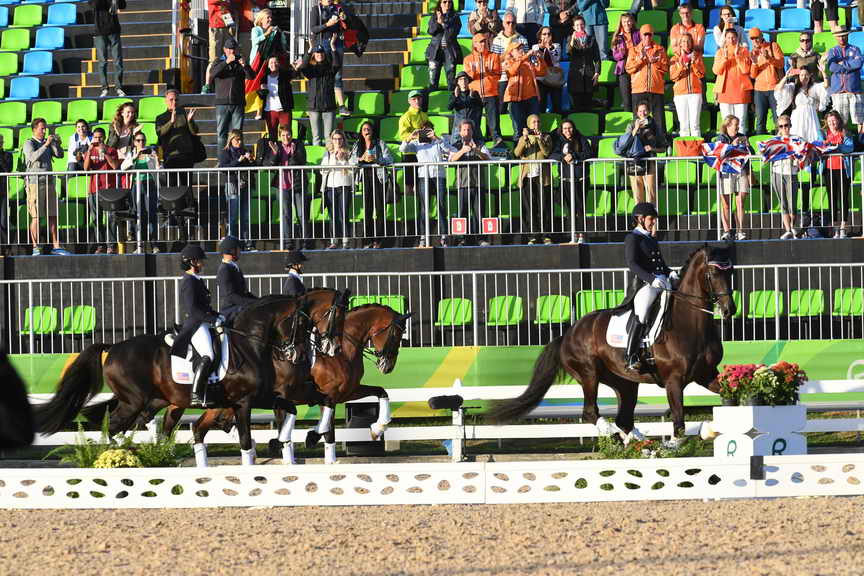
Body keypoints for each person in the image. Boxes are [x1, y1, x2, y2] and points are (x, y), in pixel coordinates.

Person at [624, 202, 676, 372]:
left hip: (662, 281)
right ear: (640, 219)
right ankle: (631, 355)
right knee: (643, 310)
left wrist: (670, 272)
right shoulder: (633, 238)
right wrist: (651, 279)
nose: (654, 222)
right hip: (646, 284)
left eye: (654, 219)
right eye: (651, 219)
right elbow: (632, 264)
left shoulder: (651, 239)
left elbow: (660, 264)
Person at [172, 244, 220, 408]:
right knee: (208, 354)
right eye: (200, 261)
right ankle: (196, 394)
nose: (202, 263)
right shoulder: (188, 281)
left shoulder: (196, 280)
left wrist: (216, 315)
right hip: (195, 325)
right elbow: (193, 309)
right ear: (191, 261)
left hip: (203, 321)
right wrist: (211, 319)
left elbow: (204, 306)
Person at [400, 123, 454, 247]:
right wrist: (410, 137)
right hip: (423, 176)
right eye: (423, 130)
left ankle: (444, 236)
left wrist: (436, 138)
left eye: (428, 130)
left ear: (433, 130)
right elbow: (402, 149)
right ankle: (423, 237)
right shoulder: (417, 143)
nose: (425, 133)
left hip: (439, 176)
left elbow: (450, 150)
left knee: (441, 206)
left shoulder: (439, 141)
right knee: (424, 208)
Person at [262, 124, 308, 248]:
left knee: (301, 214)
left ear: (292, 135)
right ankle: (288, 242)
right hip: (282, 185)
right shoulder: (276, 146)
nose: (286, 137)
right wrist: (275, 153)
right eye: (283, 135)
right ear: (279, 136)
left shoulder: (298, 144)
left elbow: (302, 161)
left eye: (288, 135)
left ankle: (305, 241)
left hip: (298, 183)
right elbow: (268, 165)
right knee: (286, 214)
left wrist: (293, 154)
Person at [23, 118, 64, 255]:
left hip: (49, 182)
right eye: (42, 128)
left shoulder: (47, 142)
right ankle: (35, 247)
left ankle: (56, 246)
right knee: (36, 216)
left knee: (53, 214)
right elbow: (32, 157)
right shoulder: (29, 142)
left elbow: (60, 155)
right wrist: (46, 145)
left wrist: (56, 144)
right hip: (35, 183)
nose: (45, 131)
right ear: (34, 129)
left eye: (45, 128)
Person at [350, 121, 393, 248]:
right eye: (364, 129)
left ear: (372, 131)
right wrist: (361, 158)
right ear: (361, 132)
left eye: (368, 129)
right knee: (367, 209)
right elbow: (351, 161)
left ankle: (378, 240)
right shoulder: (358, 144)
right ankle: (367, 240)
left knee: (380, 209)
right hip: (365, 178)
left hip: (379, 178)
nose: (366, 131)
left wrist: (378, 160)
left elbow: (389, 159)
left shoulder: (380, 143)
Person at [548, 118, 592, 243]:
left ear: (574, 128)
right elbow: (552, 154)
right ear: (561, 130)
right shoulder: (559, 141)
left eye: (570, 128)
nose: (568, 131)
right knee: (570, 209)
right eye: (565, 128)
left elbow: (589, 153)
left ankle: (582, 235)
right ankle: (573, 234)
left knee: (580, 208)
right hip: (566, 179)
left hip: (580, 179)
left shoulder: (581, 139)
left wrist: (574, 155)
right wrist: (563, 157)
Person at [450, 120, 491, 245]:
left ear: (472, 131)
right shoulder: (456, 145)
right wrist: (462, 151)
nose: (466, 132)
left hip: (478, 184)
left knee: (479, 213)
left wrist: (477, 151)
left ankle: (480, 239)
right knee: (462, 213)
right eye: (464, 130)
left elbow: (488, 159)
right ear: (460, 132)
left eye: (469, 129)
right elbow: (451, 160)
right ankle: (461, 239)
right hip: (462, 184)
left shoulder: (480, 144)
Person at [514, 114, 553, 244]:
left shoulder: (546, 137)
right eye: (533, 122)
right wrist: (525, 139)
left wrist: (540, 140)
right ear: (528, 125)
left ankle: (546, 235)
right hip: (527, 176)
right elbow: (517, 153)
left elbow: (547, 152)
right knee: (529, 207)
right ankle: (532, 235)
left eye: (538, 122)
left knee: (544, 206)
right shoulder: (523, 138)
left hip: (543, 176)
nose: (536, 124)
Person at [211, 37, 255, 151]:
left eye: (234, 49)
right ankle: (223, 158)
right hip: (222, 103)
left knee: (237, 134)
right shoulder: (218, 61)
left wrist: (245, 65)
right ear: (224, 49)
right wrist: (226, 62)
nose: (232, 51)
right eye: (230, 49)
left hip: (238, 102)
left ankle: (236, 157)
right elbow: (212, 74)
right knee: (221, 133)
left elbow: (251, 77)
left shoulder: (240, 61)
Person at [626, 24, 668, 142]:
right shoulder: (634, 50)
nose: (647, 37)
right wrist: (640, 60)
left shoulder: (660, 50)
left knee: (659, 120)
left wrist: (656, 62)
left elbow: (665, 68)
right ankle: (637, 144)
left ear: (653, 35)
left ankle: (661, 145)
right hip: (638, 89)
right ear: (641, 35)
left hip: (656, 89)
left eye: (649, 35)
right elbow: (628, 68)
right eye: (645, 35)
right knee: (638, 120)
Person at [83, 127, 121, 254]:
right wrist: (89, 152)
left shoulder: (111, 150)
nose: (98, 140)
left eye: (100, 137)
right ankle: (100, 245)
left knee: (111, 217)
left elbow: (114, 166)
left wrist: (105, 153)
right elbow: (86, 169)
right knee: (96, 218)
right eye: (95, 137)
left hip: (109, 189)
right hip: (94, 188)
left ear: (104, 138)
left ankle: (111, 245)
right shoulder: (90, 150)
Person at [120, 131, 160, 252]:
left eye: (143, 140)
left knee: (151, 213)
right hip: (136, 185)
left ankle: (154, 244)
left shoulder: (151, 153)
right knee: (138, 215)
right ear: (134, 142)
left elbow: (159, 171)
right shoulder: (131, 153)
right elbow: (123, 168)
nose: (141, 142)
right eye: (138, 140)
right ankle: (140, 245)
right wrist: (135, 157)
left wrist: (157, 160)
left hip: (150, 184)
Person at [715, 114, 751, 241]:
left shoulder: (742, 136)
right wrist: (732, 145)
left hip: (740, 171)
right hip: (726, 172)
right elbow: (718, 153)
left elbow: (750, 155)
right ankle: (726, 231)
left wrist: (748, 145)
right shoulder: (721, 138)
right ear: (728, 125)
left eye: (738, 125)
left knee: (740, 202)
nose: (737, 127)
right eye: (736, 125)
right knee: (726, 204)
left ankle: (740, 231)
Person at [462, 33, 503, 145]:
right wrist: (474, 72)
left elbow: (498, 75)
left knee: (494, 121)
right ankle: (476, 142)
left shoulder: (494, 56)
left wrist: (488, 71)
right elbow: (466, 78)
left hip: (491, 93)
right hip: (475, 94)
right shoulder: (468, 59)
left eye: (484, 41)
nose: (483, 44)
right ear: (474, 44)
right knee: (475, 121)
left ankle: (497, 141)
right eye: (480, 42)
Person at [309, 0, 349, 115]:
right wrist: (327, 24)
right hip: (323, 43)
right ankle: (319, 104)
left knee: (338, 75)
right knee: (323, 75)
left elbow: (346, 25)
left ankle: (341, 106)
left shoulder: (337, 8)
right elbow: (313, 29)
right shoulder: (316, 9)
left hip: (337, 43)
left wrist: (344, 19)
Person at [620, 101, 662, 205]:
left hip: (649, 161)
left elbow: (663, 148)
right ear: (637, 112)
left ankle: (651, 214)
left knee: (651, 194)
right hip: (634, 162)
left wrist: (652, 148)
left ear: (649, 111)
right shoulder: (631, 125)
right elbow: (625, 143)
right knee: (637, 195)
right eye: (640, 111)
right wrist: (636, 128)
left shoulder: (654, 125)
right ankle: (639, 215)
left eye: (645, 110)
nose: (642, 113)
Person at [821, 110, 854, 239]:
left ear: (839, 120)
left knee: (843, 198)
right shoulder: (824, 134)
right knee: (832, 199)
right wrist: (825, 146)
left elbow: (850, 147)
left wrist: (838, 147)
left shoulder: (845, 133)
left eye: (834, 120)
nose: (832, 123)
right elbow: (820, 148)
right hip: (829, 170)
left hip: (843, 169)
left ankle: (843, 228)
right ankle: (835, 229)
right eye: (829, 121)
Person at [218, 129, 255, 243]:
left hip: (245, 184)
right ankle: (231, 241)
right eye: (237, 139)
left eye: (241, 139)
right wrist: (238, 161)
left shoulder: (245, 151)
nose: (239, 142)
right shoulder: (226, 152)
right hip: (232, 184)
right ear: (231, 140)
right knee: (233, 216)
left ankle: (246, 242)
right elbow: (223, 168)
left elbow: (254, 168)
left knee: (245, 216)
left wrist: (251, 160)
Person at [774, 67, 829, 143]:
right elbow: (778, 88)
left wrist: (823, 72)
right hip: (798, 117)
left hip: (811, 117)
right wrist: (786, 77)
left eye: (806, 75)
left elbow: (826, 85)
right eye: (802, 75)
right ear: (799, 76)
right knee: (797, 140)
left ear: (809, 76)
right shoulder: (793, 87)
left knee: (813, 138)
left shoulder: (814, 87)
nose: (804, 77)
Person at [713, 28, 752, 134]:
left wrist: (738, 56)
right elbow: (716, 71)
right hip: (725, 91)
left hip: (741, 92)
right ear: (725, 39)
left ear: (737, 38)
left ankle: (741, 143)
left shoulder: (744, 51)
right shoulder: (720, 52)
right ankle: (727, 143)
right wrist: (725, 58)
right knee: (727, 123)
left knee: (741, 122)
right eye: (729, 37)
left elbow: (746, 70)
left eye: (733, 37)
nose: (731, 40)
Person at [503, 42, 546, 137]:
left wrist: (540, 59)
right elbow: (512, 71)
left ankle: (535, 145)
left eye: (522, 48)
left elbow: (542, 72)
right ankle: (518, 146)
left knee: (534, 127)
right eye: (518, 49)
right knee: (519, 129)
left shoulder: (529, 61)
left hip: (532, 98)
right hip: (515, 100)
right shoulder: (508, 61)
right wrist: (525, 56)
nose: (521, 50)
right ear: (511, 52)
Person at [156, 90, 199, 185]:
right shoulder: (160, 118)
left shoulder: (184, 115)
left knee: (187, 186)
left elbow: (194, 132)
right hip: (170, 157)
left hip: (186, 156)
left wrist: (190, 121)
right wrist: (171, 122)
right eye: (171, 100)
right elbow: (160, 133)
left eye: (176, 100)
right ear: (165, 101)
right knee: (172, 187)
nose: (174, 102)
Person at [825, 27, 863, 130]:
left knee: (860, 120)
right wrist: (850, 66)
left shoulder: (855, 49)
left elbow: (858, 63)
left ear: (847, 35)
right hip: (838, 90)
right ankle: (843, 139)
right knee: (840, 121)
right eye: (839, 36)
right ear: (835, 37)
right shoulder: (832, 51)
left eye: (844, 35)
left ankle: (862, 138)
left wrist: (842, 64)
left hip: (855, 90)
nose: (841, 38)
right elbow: (832, 67)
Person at [321, 129, 353, 249]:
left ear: (343, 140)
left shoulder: (348, 153)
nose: (337, 141)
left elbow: (353, 169)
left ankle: (345, 241)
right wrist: (334, 158)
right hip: (330, 187)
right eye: (335, 139)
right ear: (332, 140)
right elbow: (323, 170)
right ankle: (334, 241)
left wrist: (343, 160)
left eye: (340, 139)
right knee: (332, 215)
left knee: (344, 214)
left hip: (344, 185)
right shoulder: (328, 153)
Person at [749, 28, 783, 135]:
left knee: (778, 119)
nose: (755, 40)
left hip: (774, 88)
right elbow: (753, 75)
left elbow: (781, 64)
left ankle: (780, 141)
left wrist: (769, 58)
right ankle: (760, 143)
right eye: (752, 38)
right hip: (759, 90)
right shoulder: (752, 52)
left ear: (761, 36)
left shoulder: (773, 46)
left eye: (756, 37)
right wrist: (754, 63)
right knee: (760, 121)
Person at [670, 32, 704, 138]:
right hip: (680, 94)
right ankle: (685, 148)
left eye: (688, 41)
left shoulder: (697, 57)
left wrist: (694, 63)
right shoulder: (675, 59)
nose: (686, 43)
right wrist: (681, 66)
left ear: (692, 43)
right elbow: (673, 77)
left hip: (695, 93)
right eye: (683, 41)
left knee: (695, 125)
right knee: (683, 125)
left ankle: (696, 147)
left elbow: (702, 74)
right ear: (680, 44)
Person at [302, 45, 339, 146]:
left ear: (325, 54)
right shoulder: (311, 69)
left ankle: (329, 156)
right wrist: (309, 51)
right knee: (316, 136)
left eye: (322, 53)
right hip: (314, 106)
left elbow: (337, 64)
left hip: (328, 106)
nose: (320, 55)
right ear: (314, 55)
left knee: (329, 136)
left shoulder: (330, 69)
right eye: (317, 53)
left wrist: (333, 48)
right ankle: (317, 155)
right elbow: (303, 67)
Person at [769, 116, 799, 239]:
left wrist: (795, 158)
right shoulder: (774, 140)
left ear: (790, 125)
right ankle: (788, 230)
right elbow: (765, 154)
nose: (784, 128)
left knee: (792, 204)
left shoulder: (796, 139)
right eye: (781, 126)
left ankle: (792, 227)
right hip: (777, 172)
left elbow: (802, 155)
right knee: (783, 203)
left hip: (792, 172)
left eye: (786, 125)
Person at [89, 0, 126, 97]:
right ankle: (104, 88)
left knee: (117, 61)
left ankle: (119, 87)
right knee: (102, 62)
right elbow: (95, 4)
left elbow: (123, 5)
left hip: (114, 30)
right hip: (100, 31)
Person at [260, 56, 302, 140]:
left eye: (275, 62)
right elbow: (261, 96)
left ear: (279, 64)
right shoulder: (264, 78)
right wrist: (262, 90)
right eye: (271, 63)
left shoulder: (284, 75)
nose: (273, 64)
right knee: (272, 136)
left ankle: (287, 149)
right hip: (270, 111)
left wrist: (296, 68)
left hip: (284, 110)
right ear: (268, 65)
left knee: (286, 134)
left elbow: (294, 74)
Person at [492, 13, 526, 115]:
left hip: (517, 77)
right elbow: (494, 61)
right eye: (508, 22)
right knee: (501, 108)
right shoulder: (497, 40)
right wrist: (507, 54)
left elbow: (526, 59)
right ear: (503, 24)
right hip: (503, 77)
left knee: (517, 109)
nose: (510, 25)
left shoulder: (522, 39)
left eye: (513, 23)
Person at [216, 235, 257, 322]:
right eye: (238, 249)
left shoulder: (234, 267)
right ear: (231, 251)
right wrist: (251, 303)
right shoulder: (224, 270)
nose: (240, 252)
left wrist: (259, 301)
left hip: (240, 306)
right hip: (231, 310)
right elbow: (230, 296)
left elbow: (244, 293)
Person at [566, 16, 600, 114]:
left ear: (584, 25)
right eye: (577, 25)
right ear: (573, 27)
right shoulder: (570, 39)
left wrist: (597, 73)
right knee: (577, 107)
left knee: (588, 106)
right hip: (576, 76)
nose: (579, 27)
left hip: (589, 75)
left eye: (581, 24)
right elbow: (568, 52)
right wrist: (573, 39)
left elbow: (597, 58)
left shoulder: (591, 39)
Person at [427, 0, 461, 91]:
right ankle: (433, 99)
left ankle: (451, 99)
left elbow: (453, 33)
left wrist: (442, 23)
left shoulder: (455, 17)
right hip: (435, 51)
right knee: (432, 81)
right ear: (440, 4)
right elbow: (430, 31)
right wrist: (438, 22)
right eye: (444, 2)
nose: (447, 4)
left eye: (449, 2)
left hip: (449, 51)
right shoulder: (434, 16)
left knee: (451, 82)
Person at [612, 13, 639, 113]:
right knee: (626, 100)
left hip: (636, 68)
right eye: (624, 22)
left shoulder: (638, 33)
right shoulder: (617, 37)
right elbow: (615, 56)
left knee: (637, 99)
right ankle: (629, 121)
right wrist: (622, 53)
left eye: (628, 21)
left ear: (632, 22)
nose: (626, 24)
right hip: (623, 70)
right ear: (621, 23)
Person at [532, 27, 563, 114]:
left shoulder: (556, 46)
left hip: (554, 78)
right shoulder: (535, 47)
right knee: (541, 105)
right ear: (540, 36)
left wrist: (550, 47)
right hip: (541, 79)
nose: (547, 36)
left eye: (549, 34)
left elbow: (556, 58)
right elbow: (535, 61)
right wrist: (542, 47)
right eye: (544, 34)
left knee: (557, 104)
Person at [449, 72, 483, 145]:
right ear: (458, 82)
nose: (463, 81)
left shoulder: (474, 93)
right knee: (455, 147)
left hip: (473, 125)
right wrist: (455, 97)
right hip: (459, 125)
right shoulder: (454, 94)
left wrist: (471, 98)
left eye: (465, 79)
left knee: (478, 146)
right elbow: (449, 107)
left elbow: (480, 106)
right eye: (460, 79)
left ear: (468, 81)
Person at [0, 135, 11, 248]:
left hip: (2, 190)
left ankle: (4, 247)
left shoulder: (7, 155)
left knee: (3, 220)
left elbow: (7, 169)